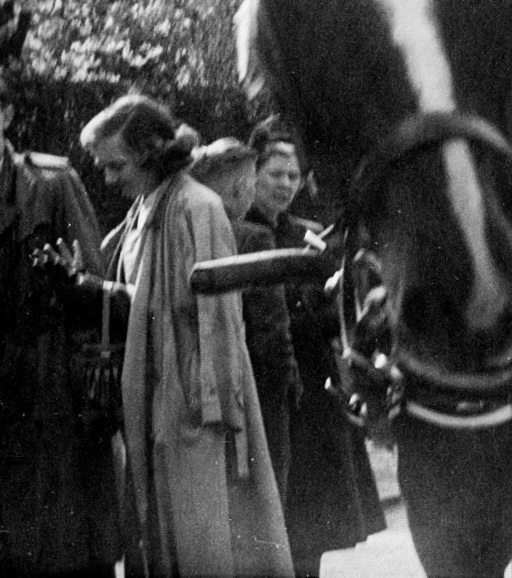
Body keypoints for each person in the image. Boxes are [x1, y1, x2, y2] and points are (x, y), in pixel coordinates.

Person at [0, 58, 123, 578]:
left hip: (50, 394)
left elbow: (95, 295)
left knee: (66, 551)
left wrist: (91, 397)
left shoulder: (51, 185)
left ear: (7, 115)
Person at [81, 95, 292, 578]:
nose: (108, 179)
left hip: (195, 409)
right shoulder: (141, 209)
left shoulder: (198, 207)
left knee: (207, 545)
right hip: (154, 402)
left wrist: (215, 415)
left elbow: (219, 319)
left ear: (152, 153)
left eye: (117, 166)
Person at [246, 118, 383, 578]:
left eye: (293, 175)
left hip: (313, 398)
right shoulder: (236, 233)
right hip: (268, 390)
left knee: (310, 537)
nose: (287, 185)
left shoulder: (310, 235)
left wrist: (334, 299)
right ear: (252, 173)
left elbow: (337, 314)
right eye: (275, 174)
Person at [190, 137, 298, 499]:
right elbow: (273, 332)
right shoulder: (254, 237)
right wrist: (287, 385)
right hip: (254, 397)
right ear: (241, 186)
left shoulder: (185, 229)